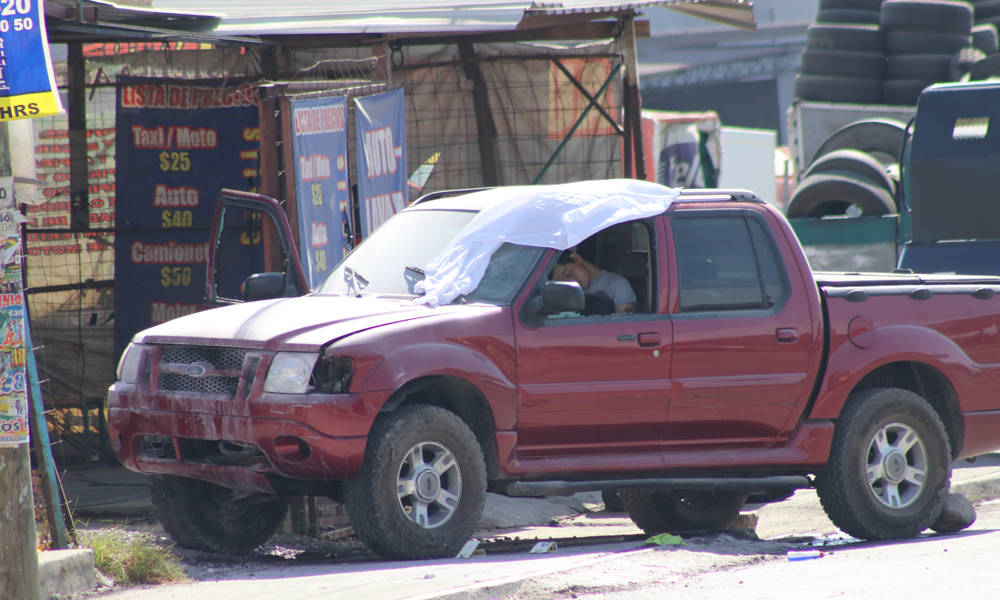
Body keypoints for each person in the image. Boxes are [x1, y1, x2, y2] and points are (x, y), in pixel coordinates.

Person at [551, 250, 637, 314]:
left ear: (576, 259)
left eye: (568, 274)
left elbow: (624, 320)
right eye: (562, 282)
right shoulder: (562, 293)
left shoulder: (617, 283)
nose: (570, 283)